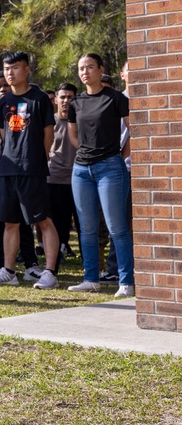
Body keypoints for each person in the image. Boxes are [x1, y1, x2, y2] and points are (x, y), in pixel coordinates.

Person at [0, 52, 60, 289]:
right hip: (7, 169)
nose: (9, 73)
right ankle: (9, 271)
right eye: (6, 69)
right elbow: (4, 135)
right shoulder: (3, 103)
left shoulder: (39, 99)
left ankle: (49, 272)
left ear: (26, 70)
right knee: (10, 222)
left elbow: (49, 134)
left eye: (14, 68)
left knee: (43, 221)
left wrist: (39, 158)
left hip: (32, 168)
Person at [67, 53, 133, 296]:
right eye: (81, 68)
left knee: (117, 228)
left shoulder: (115, 98)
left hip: (110, 168)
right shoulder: (76, 102)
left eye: (90, 67)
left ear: (101, 69)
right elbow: (73, 134)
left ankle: (126, 281)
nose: (85, 72)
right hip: (81, 170)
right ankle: (91, 278)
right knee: (87, 228)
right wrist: (85, 153)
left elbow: (132, 129)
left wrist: (119, 156)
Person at [48, 83, 79, 261]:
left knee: (83, 225)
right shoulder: (49, 122)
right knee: (57, 223)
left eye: (70, 97)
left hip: (79, 179)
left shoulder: (81, 121)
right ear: (56, 100)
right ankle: (57, 255)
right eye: (63, 97)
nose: (66, 100)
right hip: (54, 179)